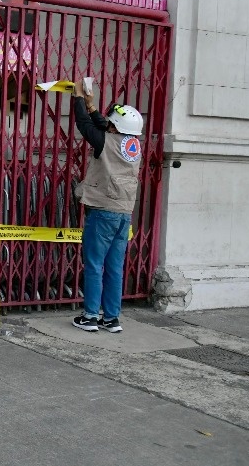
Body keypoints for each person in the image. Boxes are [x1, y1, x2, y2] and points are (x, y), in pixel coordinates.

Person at [70, 80, 144, 333]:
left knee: (93, 264)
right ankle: (111, 319)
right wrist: (93, 107)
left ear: (117, 127)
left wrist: (79, 98)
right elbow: (104, 127)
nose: (109, 124)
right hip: (124, 214)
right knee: (114, 267)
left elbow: (86, 127)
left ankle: (90, 316)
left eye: (113, 122)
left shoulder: (106, 142)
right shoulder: (133, 146)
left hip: (103, 212)